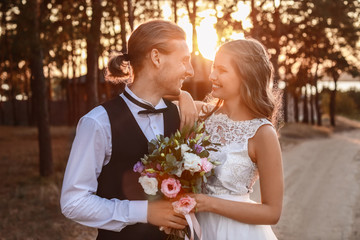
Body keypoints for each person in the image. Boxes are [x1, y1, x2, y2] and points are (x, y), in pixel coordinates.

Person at [60, 19, 197, 240]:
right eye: (184, 60)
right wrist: (143, 212)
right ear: (156, 58)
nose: (190, 71)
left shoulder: (181, 115)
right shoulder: (98, 122)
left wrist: (186, 96)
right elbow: (73, 203)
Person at [191, 39, 283, 239]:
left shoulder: (263, 134)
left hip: (237, 232)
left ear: (246, 75)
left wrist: (209, 203)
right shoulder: (200, 114)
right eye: (214, 67)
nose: (212, 75)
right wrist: (183, 97)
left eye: (222, 70)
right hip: (197, 229)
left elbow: (272, 212)